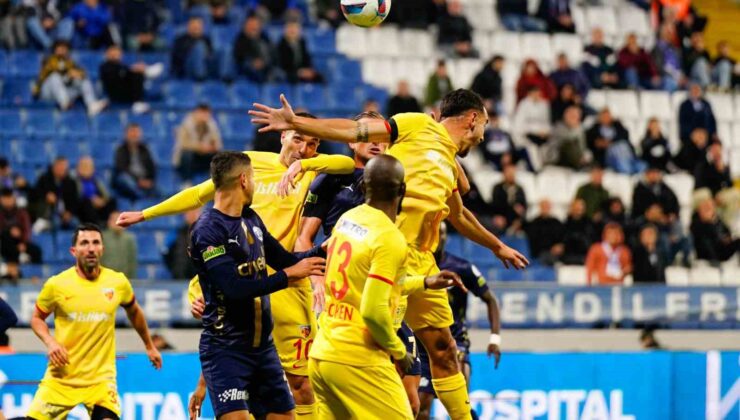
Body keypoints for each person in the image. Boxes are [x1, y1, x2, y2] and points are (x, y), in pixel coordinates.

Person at [249, 89, 528, 420]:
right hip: (383, 252)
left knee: (443, 349)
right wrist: (297, 122)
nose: (484, 135)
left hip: (422, 260)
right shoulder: (417, 126)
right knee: (375, 356)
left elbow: (459, 212)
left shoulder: (449, 164)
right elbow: (355, 131)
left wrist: (497, 246)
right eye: (484, 123)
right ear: (472, 118)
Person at [117, 113, 357, 418]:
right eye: (298, 138)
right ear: (283, 136)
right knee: (226, 333)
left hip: (283, 279)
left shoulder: (312, 171)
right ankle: (209, 387)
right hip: (240, 276)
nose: (304, 148)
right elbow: (199, 193)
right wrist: (146, 214)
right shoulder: (251, 164)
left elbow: (347, 164)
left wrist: (304, 165)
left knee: (301, 383)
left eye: (313, 143)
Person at [309, 154, 465, 419]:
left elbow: (365, 282)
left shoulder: (348, 220)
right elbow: (372, 310)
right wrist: (398, 351)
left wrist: (425, 282)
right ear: (402, 189)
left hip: (324, 355)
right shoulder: (389, 238)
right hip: (359, 359)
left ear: (363, 186)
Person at [185, 152, 327, 420]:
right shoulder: (207, 230)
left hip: (263, 350)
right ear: (243, 180)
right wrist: (288, 276)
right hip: (227, 348)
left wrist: (322, 250)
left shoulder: (251, 219)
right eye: (252, 178)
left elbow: (285, 260)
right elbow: (233, 288)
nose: (255, 184)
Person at [26, 223, 162, 420]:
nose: (90, 248)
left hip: (101, 381)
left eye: (96, 242)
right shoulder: (57, 285)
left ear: (102, 249)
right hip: (61, 379)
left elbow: (134, 311)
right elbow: (36, 319)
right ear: (74, 251)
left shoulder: (118, 282)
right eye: (84, 243)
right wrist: (51, 342)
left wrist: (149, 345)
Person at [418, 222, 502, 420]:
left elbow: (490, 300)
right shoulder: (415, 265)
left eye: (443, 232)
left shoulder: (462, 267)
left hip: (455, 341)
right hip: (423, 342)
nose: (439, 236)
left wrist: (495, 338)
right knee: (420, 407)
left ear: (447, 237)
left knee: (460, 403)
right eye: (435, 231)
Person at [34, 40, 107, 115]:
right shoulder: (48, 60)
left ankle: (91, 104)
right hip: (47, 92)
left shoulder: (70, 62)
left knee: (83, 80)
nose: (62, 50)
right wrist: (68, 75)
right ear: (55, 49)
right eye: (60, 47)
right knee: (54, 76)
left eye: (64, 48)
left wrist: (77, 74)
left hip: (63, 93)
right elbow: (49, 73)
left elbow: (82, 72)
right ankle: (64, 103)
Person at [99, 45, 163, 113]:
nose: (116, 55)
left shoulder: (121, 66)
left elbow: (125, 72)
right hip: (115, 95)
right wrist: (134, 70)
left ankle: (146, 72)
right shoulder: (105, 66)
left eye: (118, 53)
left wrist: (135, 70)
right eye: (114, 53)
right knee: (136, 74)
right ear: (107, 54)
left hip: (126, 93)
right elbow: (117, 75)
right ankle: (147, 72)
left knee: (137, 74)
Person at [173, 103, 223, 181]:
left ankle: (214, 181)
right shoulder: (186, 124)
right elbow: (183, 144)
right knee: (187, 154)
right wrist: (200, 147)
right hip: (188, 159)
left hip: (204, 157)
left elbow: (218, 143)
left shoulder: (211, 124)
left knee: (218, 156)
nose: (205, 116)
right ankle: (186, 181)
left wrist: (211, 147)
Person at [29, 157, 79, 232]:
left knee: (76, 223)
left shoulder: (71, 182)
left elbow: (75, 200)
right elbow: (34, 194)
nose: (62, 169)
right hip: (51, 213)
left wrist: (69, 212)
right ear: (54, 167)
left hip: (66, 213)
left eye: (64, 167)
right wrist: (46, 196)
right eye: (60, 166)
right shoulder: (44, 179)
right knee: (56, 223)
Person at [586, 108, 641, 174]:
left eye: (608, 116)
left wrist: (610, 142)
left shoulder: (617, 126)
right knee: (620, 154)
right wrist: (601, 143)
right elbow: (593, 142)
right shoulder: (594, 129)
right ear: (600, 117)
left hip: (627, 155)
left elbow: (625, 135)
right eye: (604, 116)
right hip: (610, 157)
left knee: (642, 165)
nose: (606, 118)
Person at [112, 123, 158, 201]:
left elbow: (152, 167)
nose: (134, 135)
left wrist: (150, 180)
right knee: (124, 178)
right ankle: (142, 198)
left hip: (144, 179)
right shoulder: (121, 150)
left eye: (137, 132)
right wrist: (138, 181)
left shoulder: (145, 149)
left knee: (161, 192)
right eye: (132, 132)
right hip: (129, 180)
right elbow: (121, 168)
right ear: (126, 134)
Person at [0, 188, 42, 266]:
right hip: (5, 244)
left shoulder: (22, 213)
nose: (8, 201)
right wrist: (9, 231)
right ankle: (17, 262)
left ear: (14, 198)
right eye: (5, 198)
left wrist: (23, 243)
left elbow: (27, 229)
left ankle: (34, 273)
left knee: (37, 251)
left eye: (9, 198)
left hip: (21, 241)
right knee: (5, 239)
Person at [690, 199, 739, 264]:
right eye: (706, 208)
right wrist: (709, 223)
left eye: (710, 207)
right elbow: (703, 235)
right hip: (707, 253)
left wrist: (727, 238)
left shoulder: (716, 219)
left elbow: (727, 230)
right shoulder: (696, 221)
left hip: (721, 248)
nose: (709, 210)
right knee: (706, 240)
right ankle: (714, 261)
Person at [232, 14, 276, 83]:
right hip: (247, 66)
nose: (254, 28)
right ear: (245, 27)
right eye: (251, 25)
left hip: (265, 65)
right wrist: (253, 62)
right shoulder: (240, 39)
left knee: (278, 74)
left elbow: (272, 54)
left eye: (256, 25)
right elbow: (239, 56)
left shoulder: (265, 38)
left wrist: (264, 63)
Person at [74, 157, 116, 224]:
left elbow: (106, 195)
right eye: (84, 166)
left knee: (112, 201)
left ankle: (107, 224)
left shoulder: (96, 181)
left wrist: (102, 201)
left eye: (89, 167)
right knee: (86, 204)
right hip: (82, 207)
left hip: (98, 205)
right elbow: (76, 197)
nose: (86, 169)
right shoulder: (74, 181)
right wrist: (91, 199)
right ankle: (95, 225)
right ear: (78, 168)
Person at [545, 105, 587, 170]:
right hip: (557, 156)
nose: (574, 118)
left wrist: (582, 155)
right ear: (566, 115)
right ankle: (579, 165)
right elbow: (567, 139)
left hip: (574, 157)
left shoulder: (579, 128)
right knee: (570, 144)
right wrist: (574, 128)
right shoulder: (558, 126)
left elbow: (582, 144)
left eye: (576, 117)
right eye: (572, 116)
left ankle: (582, 164)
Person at [525, 199, 565, 266]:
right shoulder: (534, 223)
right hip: (541, 253)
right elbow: (534, 242)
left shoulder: (556, 222)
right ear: (540, 207)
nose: (545, 208)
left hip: (556, 253)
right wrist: (550, 249)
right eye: (544, 206)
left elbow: (562, 238)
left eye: (547, 206)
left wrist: (560, 246)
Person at [163, 208, 200, 279]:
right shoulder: (176, 232)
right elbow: (166, 253)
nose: (193, 215)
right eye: (189, 213)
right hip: (180, 278)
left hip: (199, 280)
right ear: (185, 215)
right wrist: (175, 269)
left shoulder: (205, 233)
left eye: (195, 212)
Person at [491, 164, 527, 235]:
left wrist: (521, 214)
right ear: (504, 174)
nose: (511, 175)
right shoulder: (498, 188)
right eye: (509, 173)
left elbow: (524, 205)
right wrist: (513, 207)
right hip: (502, 216)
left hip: (516, 218)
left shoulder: (519, 189)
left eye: (512, 174)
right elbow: (496, 205)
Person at [101, 210, 137, 279]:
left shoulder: (129, 239)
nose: (117, 223)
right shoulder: (102, 237)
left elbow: (132, 261)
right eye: (114, 220)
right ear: (109, 222)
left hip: (124, 278)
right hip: (105, 278)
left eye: (120, 220)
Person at [651, 23, 683, 92]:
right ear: (661, 33)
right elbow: (659, 66)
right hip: (664, 77)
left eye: (670, 31)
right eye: (667, 31)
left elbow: (680, 65)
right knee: (670, 82)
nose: (669, 33)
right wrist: (674, 75)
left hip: (677, 76)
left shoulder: (676, 49)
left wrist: (681, 76)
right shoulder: (657, 48)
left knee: (693, 85)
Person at [563, 198, 595, 264]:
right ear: (572, 208)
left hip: (585, 254)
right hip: (569, 256)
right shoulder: (566, 223)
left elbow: (591, 241)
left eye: (581, 206)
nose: (579, 208)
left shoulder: (589, 223)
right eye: (576, 206)